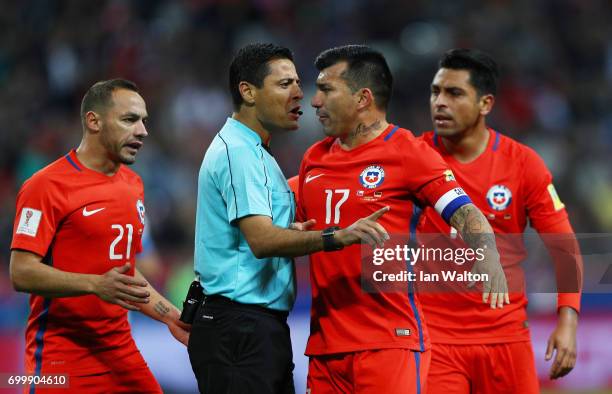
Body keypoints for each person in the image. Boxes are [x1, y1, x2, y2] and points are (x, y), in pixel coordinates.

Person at [296, 44, 508, 394]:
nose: (315, 101)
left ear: (363, 98)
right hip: (325, 348)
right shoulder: (313, 159)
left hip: (389, 341)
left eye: (326, 89)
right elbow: (300, 231)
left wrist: (488, 254)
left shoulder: (409, 153)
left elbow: (466, 212)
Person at [189, 43, 390, 394]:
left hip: (253, 328)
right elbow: (263, 241)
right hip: (238, 327)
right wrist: (336, 237)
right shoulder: (239, 153)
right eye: (285, 84)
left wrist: (291, 231)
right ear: (248, 92)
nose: (301, 94)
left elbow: (258, 235)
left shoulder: (258, 152)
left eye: (299, 82)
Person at [416, 48, 583, 393]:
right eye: (436, 92)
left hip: (505, 336)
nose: (440, 103)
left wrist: (567, 319)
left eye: (454, 93)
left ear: (486, 104)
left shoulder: (522, 164)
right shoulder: (411, 157)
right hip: (435, 340)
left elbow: (563, 247)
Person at [9, 79, 189, 393]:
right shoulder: (45, 186)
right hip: (60, 357)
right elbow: (21, 272)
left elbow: (127, 275)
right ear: (94, 121)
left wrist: (172, 317)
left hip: (120, 352)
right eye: (130, 119)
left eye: (144, 121)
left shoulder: (133, 185)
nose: (143, 131)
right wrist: (94, 284)